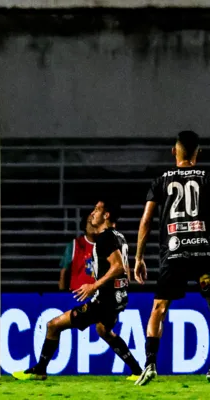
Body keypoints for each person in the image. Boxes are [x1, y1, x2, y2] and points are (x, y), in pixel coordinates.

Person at [12, 199, 143, 381]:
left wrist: (93, 286)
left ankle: (40, 370)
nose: (92, 213)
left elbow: (119, 267)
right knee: (104, 331)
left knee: (53, 325)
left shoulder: (105, 237)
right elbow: (124, 270)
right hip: (118, 298)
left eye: (97, 210)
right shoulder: (119, 236)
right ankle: (137, 370)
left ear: (106, 215)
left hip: (104, 301)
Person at [134, 130, 210, 385]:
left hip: (173, 252)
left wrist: (138, 258)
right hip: (203, 251)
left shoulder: (161, 181)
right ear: (197, 153)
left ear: (174, 151)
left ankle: (150, 364)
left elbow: (146, 220)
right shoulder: (206, 178)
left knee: (159, 307)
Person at [59, 214, 96, 291]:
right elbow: (63, 273)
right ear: (85, 226)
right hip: (77, 296)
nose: (93, 224)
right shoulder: (74, 245)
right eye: (89, 221)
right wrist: (61, 297)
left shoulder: (110, 246)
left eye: (95, 221)